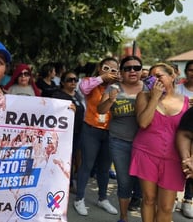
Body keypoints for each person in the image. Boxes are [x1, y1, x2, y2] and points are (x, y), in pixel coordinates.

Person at [129, 62, 189, 222]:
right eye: (150, 77)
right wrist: (155, 98)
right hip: (146, 153)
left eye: (159, 76)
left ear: (172, 76)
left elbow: (189, 135)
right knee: (148, 199)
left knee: (167, 206)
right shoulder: (144, 96)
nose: (153, 80)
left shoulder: (187, 102)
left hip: (173, 158)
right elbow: (143, 123)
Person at [97, 56, 146, 222]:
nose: (132, 71)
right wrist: (110, 100)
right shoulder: (113, 88)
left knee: (143, 183)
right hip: (119, 142)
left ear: (141, 70)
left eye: (136, 68)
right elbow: (101, 111)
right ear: (122, 72)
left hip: (145, 143)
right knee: (124, 181)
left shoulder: (148, 89)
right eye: (128, 68)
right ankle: (123, 217)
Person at [73, 57, 119, 216]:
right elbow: (83, 89)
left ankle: (103, 198)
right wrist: (101, 78)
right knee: (86, 165)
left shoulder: (117, 87)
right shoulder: (90, 81)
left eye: (113, 70)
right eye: (106, 68)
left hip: (110, 131)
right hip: (91, 128)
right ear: (99, 68)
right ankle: (79, 198)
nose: (109, 73)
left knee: (105, 168)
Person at [50, 71, 85, 192]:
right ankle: (65, 184)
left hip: (78, 132)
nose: (73, 82)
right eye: (70, 80)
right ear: (63, 82)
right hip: (64, 134)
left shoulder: (78, 95)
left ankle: (72, 181)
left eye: (75, 79)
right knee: (65, 158)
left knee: (76, 158)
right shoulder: (58, 95)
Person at [174, 60, 193, 218]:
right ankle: (173, 197)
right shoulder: (177, 89)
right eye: (191, 70)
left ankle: (188, 200)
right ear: (186, 72)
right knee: (178, 165)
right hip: (178, 132)